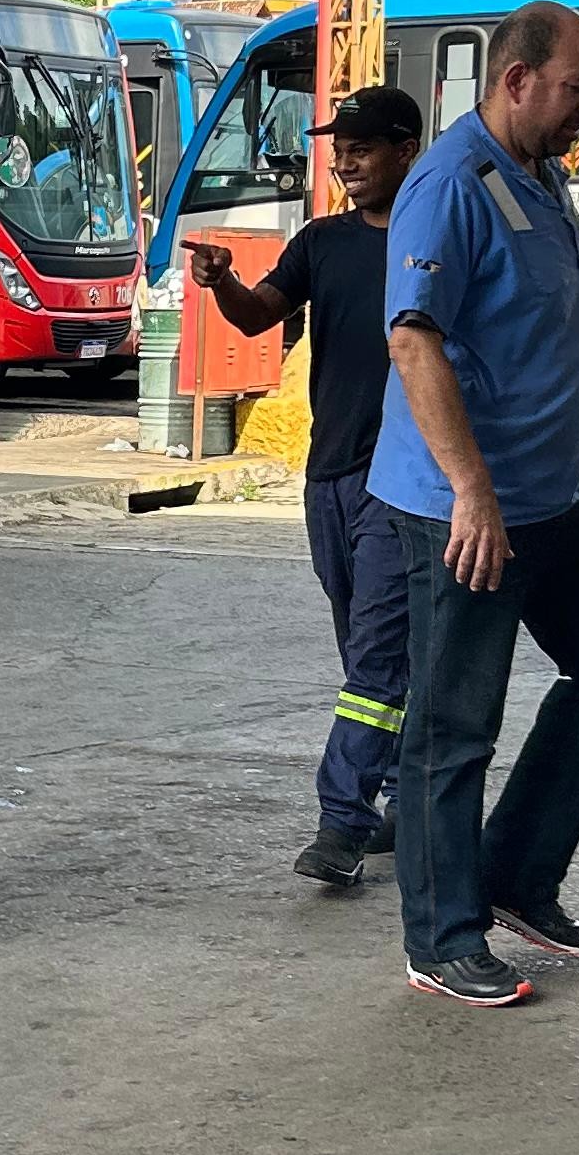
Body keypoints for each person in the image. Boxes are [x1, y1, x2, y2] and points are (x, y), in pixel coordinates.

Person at [373, 8, 579, 1008]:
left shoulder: (541, 170)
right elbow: (413, 341)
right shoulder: (448, 185)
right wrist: (471, 490)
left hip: (556, 496)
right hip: (467, 505)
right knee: (453, 726)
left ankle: (515, 876)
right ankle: (442, 937)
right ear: (515, 79)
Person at [181, 82, 427, 894]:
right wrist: (219, 281)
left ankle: (341, 825)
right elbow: (258, 318)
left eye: (361, 147)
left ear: (406, 149)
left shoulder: (437, 239)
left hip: (402, 480)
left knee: (376, 660)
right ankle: (401, 797)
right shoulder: (322, 241)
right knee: (365, 651)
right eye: (338, 147)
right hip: (329, 476)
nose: (346, 160)